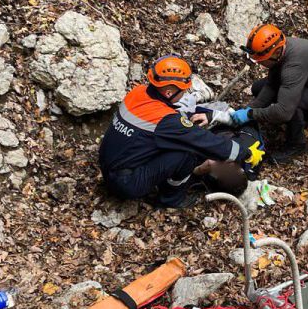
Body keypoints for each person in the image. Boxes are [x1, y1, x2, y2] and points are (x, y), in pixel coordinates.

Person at [98, 54, 264, 208]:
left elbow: (164, 116)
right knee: (186, 154)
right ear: (169, 92)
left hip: (110, 163)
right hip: (125, 182)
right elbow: (204, 141)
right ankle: (171, 200)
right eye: (183, 90)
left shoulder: (139, 92)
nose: (185, 93)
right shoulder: (166, 122)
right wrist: (244, 153)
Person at [226, 24, 308, 164]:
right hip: (306, 81)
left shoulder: (293, 67)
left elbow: (284, 112)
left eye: (261, 61)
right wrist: (249, 108)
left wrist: (251, 114)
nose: (259, 64)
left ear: (274, 53)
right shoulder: (281, 49)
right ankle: (302, 117)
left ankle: (297, 144)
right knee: (258, 87)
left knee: (293, 106)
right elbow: (271, 84)